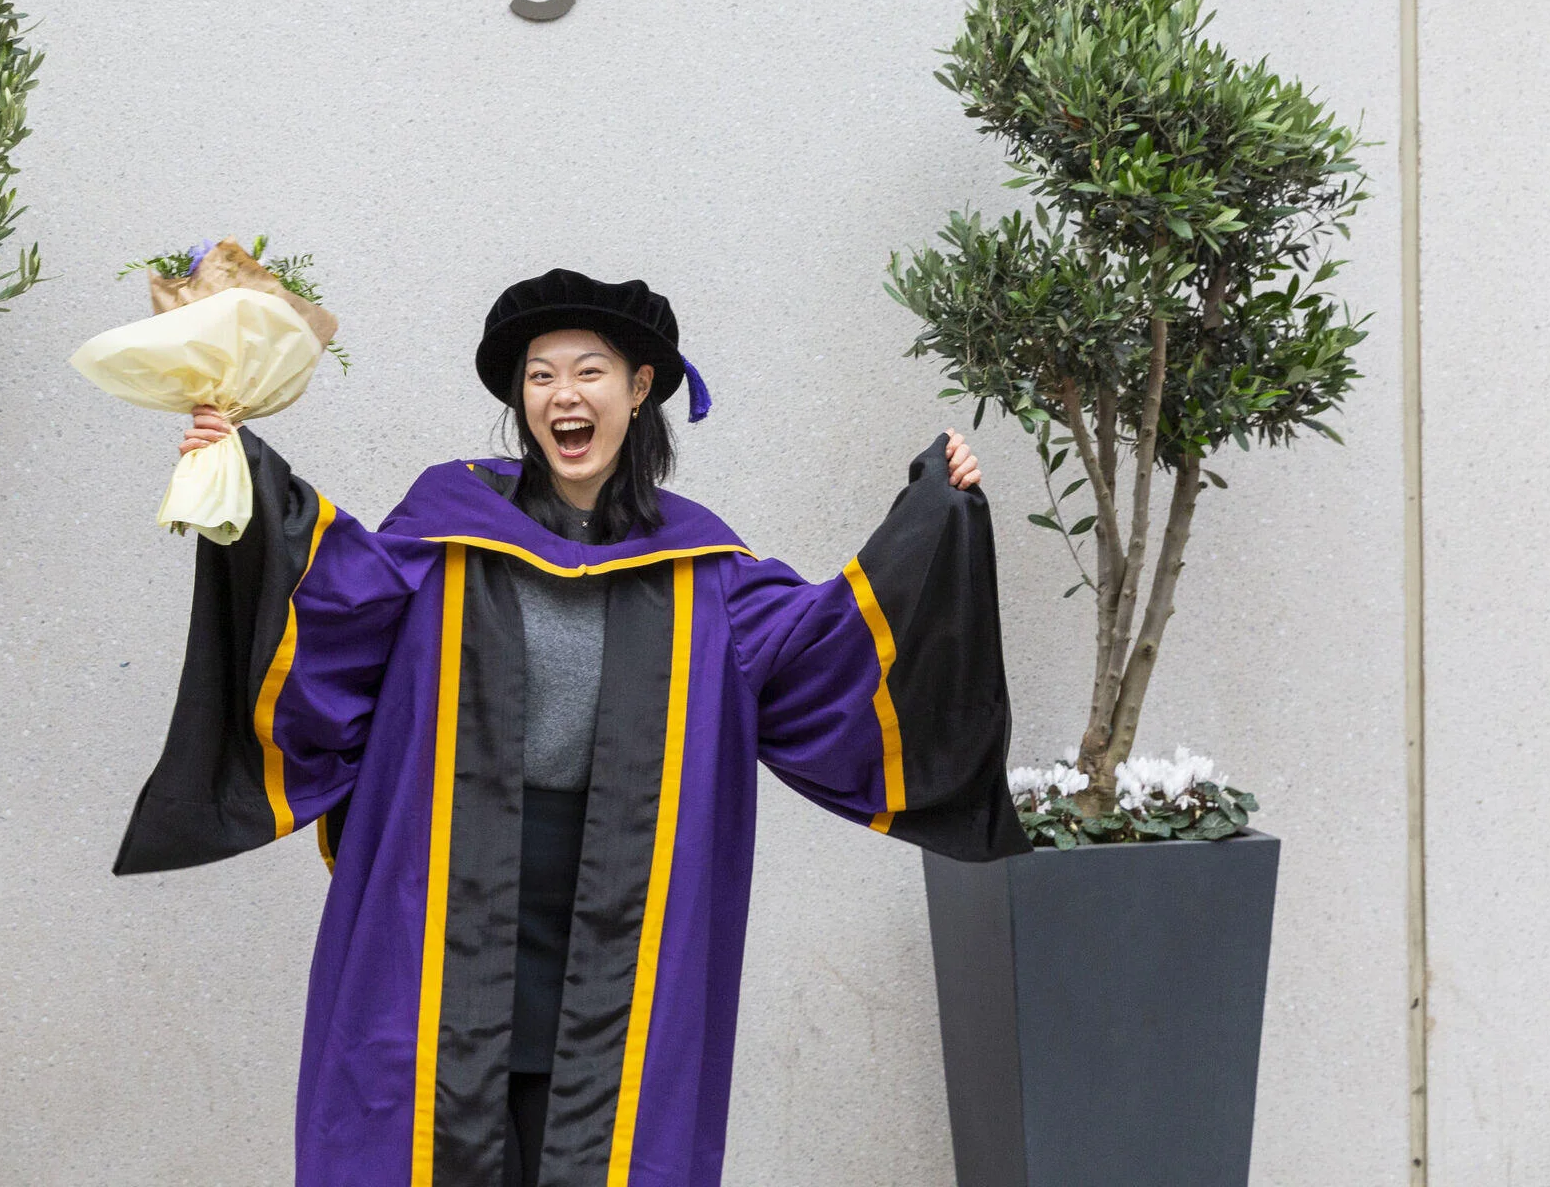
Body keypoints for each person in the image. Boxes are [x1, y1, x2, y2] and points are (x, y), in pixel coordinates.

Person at [114, 269, 1028, 1187]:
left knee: (600, 1143)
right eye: (541, 376)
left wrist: (936, 519)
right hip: (444, 909)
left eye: (590, 371)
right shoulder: (446, 538)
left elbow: (831, 648)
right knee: (430, 1136)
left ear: (639, 390)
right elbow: (329, 596)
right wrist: (239, 472)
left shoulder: (705, 574)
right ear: (521, 400)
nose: (564, 395)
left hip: (620, 918)